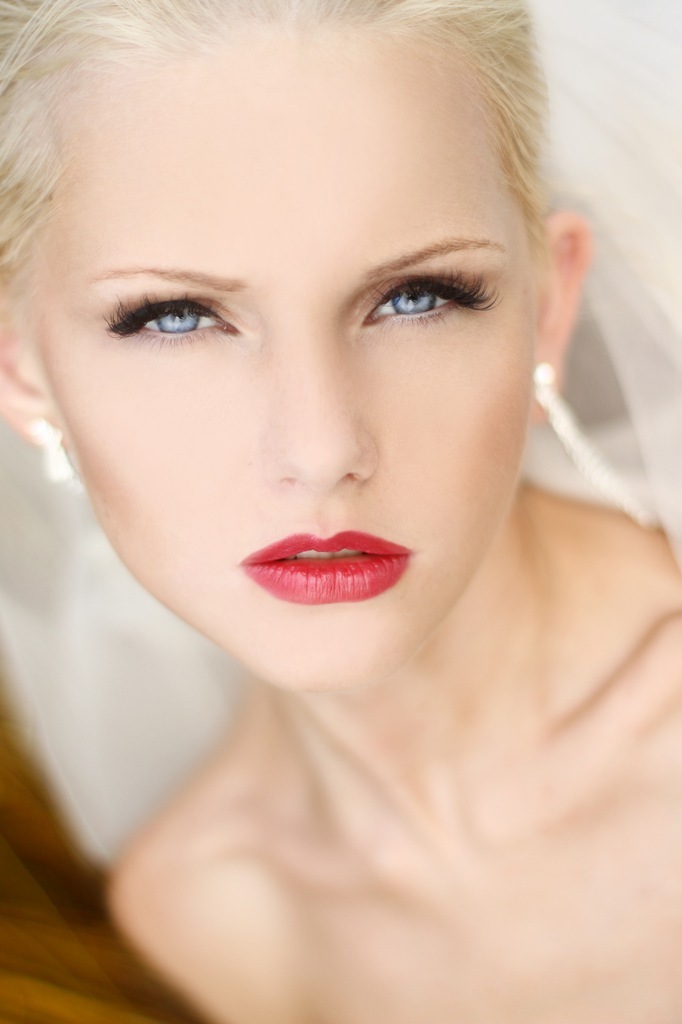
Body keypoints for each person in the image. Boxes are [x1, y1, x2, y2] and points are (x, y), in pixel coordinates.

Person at [0, 1, 680, 1021]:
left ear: (548, 303)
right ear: (23, 369)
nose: (321, 450)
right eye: (175, 316)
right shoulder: (204, 914)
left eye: (415, 296)